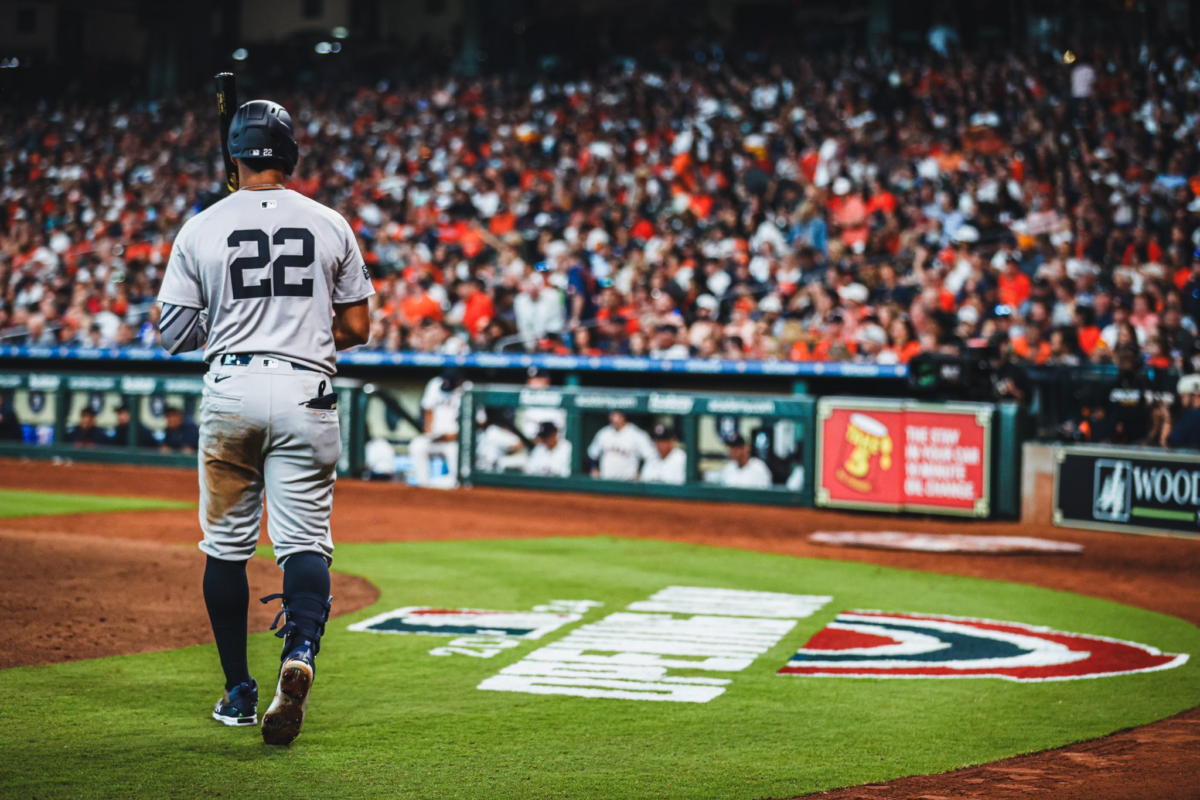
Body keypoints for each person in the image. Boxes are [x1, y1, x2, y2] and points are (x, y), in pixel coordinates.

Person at [155, 98, 373, 746]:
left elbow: (172, 333)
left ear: (234, 157)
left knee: (225, 547)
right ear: (290, 155)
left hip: (233, 389)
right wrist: (297, 319)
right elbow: (358, 327)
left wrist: (227, 308)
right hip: (309, 388)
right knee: (305, 542)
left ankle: (237, 693)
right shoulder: (330, 222)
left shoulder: (202, 226)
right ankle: (299, 652)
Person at [409, 370, 464, 488]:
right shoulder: (435, 384)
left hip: (455, 441)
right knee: (418, 446)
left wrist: (456, 435)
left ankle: (457, 489)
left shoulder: (467, 390)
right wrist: (428, 429)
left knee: (456, 479)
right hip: (435, 437)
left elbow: (477, 421)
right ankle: (423, 485)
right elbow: (428, 409)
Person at [586, 410, 655, 481]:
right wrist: (594, 468)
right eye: (612, 415)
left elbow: (651, 456)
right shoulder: (604, 433)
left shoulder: (637, 434)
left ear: (623, 416)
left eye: (617, 415)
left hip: (628, 482)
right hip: (605, 481)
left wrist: (641, 473)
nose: (614, 418)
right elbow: (593, 453)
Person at [1159, 374, 1200, 450]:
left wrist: (1167, 420)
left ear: (1194, 395)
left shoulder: (1191, 416)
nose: (1181, 400)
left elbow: (1169, 443)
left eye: (1183, 396)